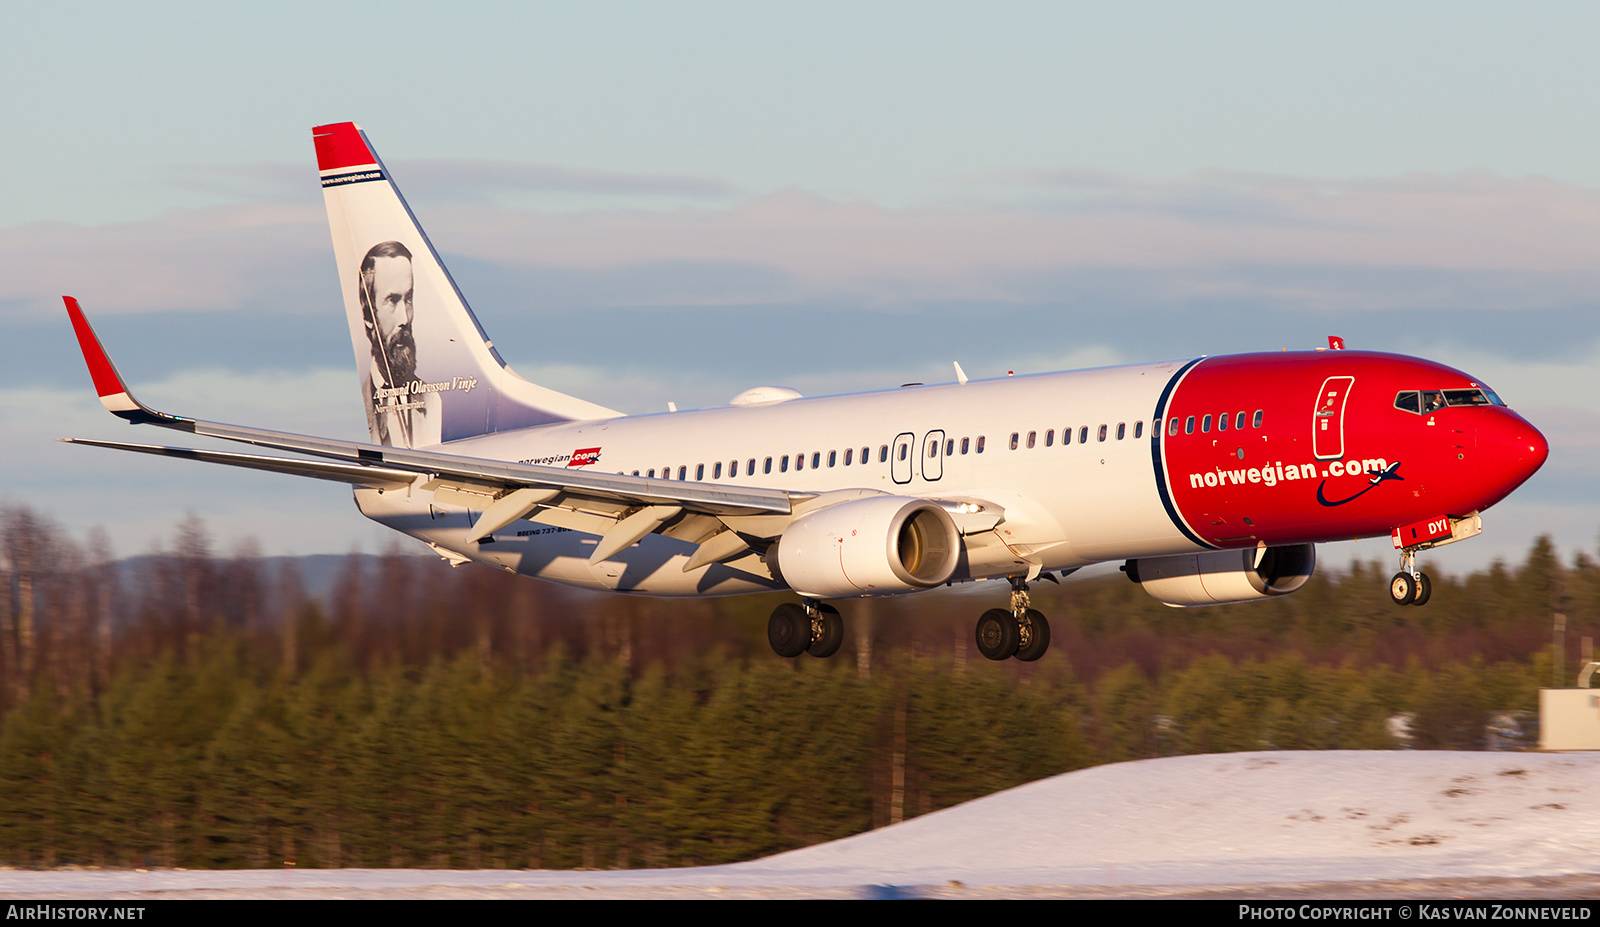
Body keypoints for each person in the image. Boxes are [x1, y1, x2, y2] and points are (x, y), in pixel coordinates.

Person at [358, 240, 441, 447]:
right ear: (369, 315)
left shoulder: (432, 399)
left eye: (408, 299)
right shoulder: (363, 403)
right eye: (393, 300)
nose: (405, 318)